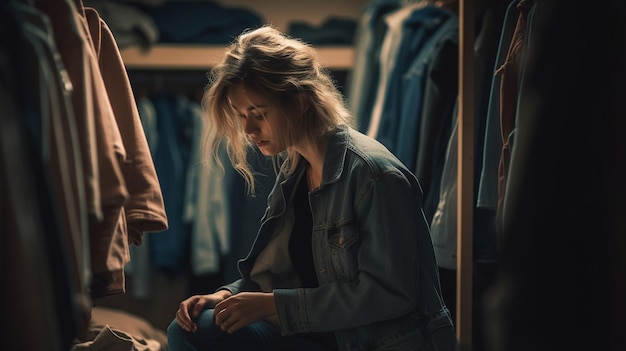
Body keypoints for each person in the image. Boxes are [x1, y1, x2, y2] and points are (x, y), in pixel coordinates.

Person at [167, 25, 456, 351]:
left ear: (301, 102)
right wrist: (225, 295)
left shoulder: (375, 175)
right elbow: (280, 272)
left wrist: (275, 305)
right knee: (189, 328)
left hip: (371, 343)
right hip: (319, 334)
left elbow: (392, 293)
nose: (248, 129)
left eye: (259, 114)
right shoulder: (296, 169)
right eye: (242, 115)